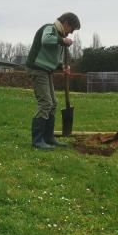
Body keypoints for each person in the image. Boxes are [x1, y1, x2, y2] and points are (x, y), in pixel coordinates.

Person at [25, 12, 80, 150]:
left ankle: (48, 137)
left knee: (53, 103)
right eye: (71, 29)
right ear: (66, 23)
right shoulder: (49, 29)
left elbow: (50, 59)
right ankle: (37, 141)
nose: (70, 33)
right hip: (37, 69)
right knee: (45, 103)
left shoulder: (59, 36)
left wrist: (62, 66)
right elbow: (46, 40)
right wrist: (62, 41)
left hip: (46, 70)